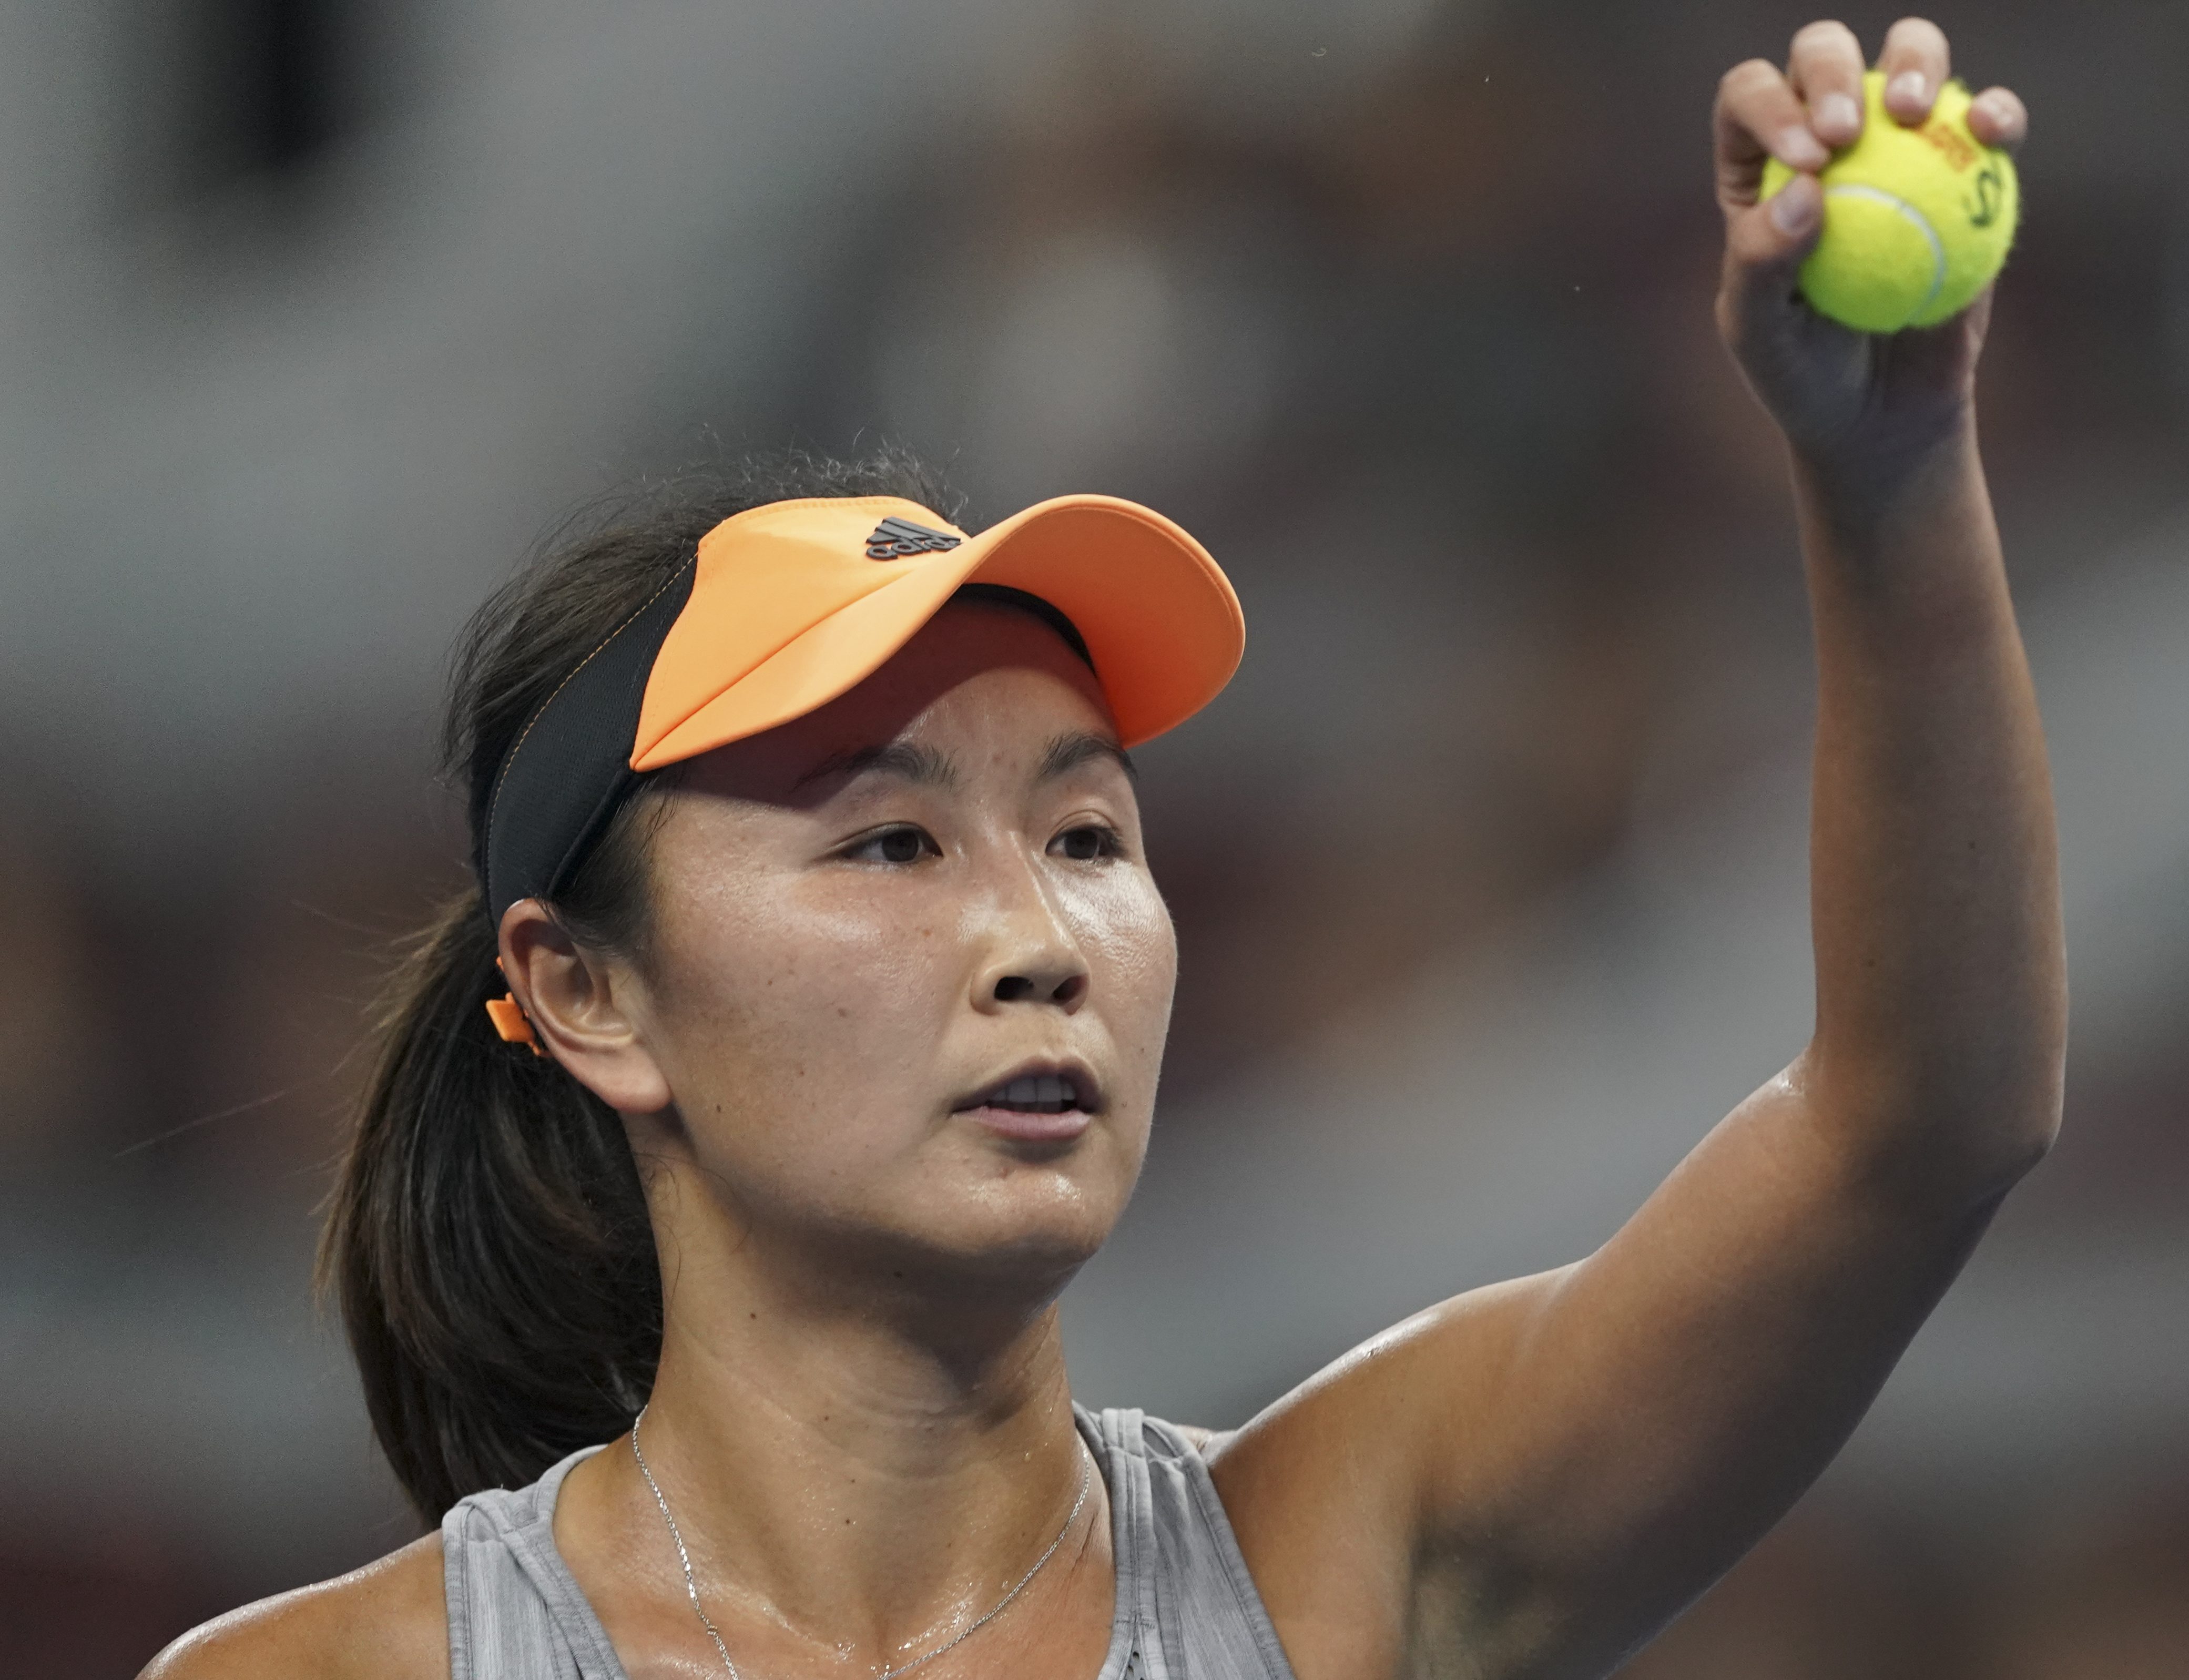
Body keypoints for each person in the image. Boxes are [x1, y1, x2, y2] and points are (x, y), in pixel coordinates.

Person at [146, 16, 2056, 1679]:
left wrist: (1887, 478)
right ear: (587, 993)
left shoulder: (1350, 1560)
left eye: (1085, 831)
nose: (1040, 936)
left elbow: (1923, 1119)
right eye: (890, 842)